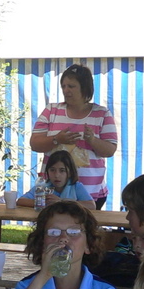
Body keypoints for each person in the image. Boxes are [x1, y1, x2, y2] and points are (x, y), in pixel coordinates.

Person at [30, 63, 118, 208]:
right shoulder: (51, 110)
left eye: (71, 86)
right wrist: (57, 139)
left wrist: (92, 140)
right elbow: (34, 144)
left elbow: (110, 150)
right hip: (53, 192)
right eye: (63, 86)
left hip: (90, 193)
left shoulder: (102, 113)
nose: (66, 90)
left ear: (85, 88)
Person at [16, 149, 95, 209]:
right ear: (47, 171)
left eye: (62, 171)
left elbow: (91, 205)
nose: (56, 175)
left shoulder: (76, 187)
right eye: (52, 170)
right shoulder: (43, 187)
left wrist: (61, 202)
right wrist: (42, 202)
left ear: (70, 173)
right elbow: (21, 201)